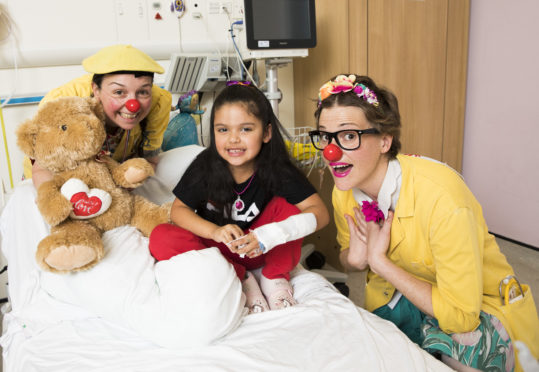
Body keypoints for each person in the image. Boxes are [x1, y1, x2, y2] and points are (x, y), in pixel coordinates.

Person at [309, 74, 536, 371]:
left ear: (385, 141)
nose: (331, 151)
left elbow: (462, 317)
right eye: (325, 136)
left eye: (349, 136)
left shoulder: (442, 197)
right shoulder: (345, 192)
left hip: (477, 305)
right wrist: (352, 260)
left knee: (465, 352)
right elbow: (350, 256)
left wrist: (380, 262)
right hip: (400, 297)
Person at [149, 81, 329, 314]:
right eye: (223, 130)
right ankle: (241, 278)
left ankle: (274, 277)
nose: (233, 139)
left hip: (262, 248)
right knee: (162, 236)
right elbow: (178, 210)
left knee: (293, 209)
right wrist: (214, 232)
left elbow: (320, 213)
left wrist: (270, 234)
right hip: (221, 252)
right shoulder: (204, 166)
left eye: (245, 129)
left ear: (266, 133)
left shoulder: (277, 169)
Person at [25, 44, 172, 188]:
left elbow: (150, 159)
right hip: (52, 181)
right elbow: (43, 169)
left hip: (113, 179)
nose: (133, 105)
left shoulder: (158, 102)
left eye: (143, 92)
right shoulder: (61, 105)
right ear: (96, 89)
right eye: (119, 92)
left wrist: (126, 182)